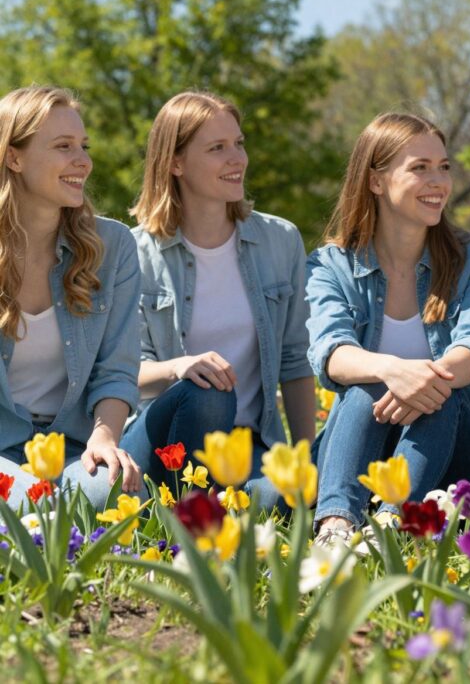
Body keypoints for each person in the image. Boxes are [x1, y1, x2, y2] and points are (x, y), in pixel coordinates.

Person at [308, 113, 470, 541]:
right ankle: (337, 526)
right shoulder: (332, 264)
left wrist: (423, 378)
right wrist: (393, 371)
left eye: (444, 167)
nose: (439, 181)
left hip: (460, 459)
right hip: (362, 451)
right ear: (376, 181)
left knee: (442, 389)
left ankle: (388, 530)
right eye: (420, 168)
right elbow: (331, 352)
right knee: (367, 385)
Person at [122, 92, 315, 505]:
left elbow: (296, 360)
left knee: (285, 500)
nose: (237, 159)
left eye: (239, 144)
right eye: (217, 148)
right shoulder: (133, 253)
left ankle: (205, 508)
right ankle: (188, 514)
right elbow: (120, 371)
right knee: (208, 389)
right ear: (175, 163)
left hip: (249, 447)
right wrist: (179, 367)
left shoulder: (280, 241)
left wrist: (309, 459)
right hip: (162, 443)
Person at [0, 86, 142, 508]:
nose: (83, 160)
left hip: (73, 445)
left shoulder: (112, 245)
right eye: (63, 147)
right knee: (35, 504)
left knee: (110, 493)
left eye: (84, 146)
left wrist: (105, 436)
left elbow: (116, 369)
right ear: (14, 157)